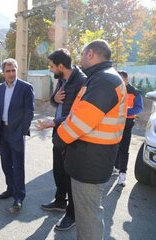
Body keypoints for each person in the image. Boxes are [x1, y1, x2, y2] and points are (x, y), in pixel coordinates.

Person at [53, 39, 127, 240]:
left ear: (91, 54)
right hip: (91, 159)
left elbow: (81, 121)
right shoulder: (103, 78)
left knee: (88, 218)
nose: (81, 58)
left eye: (83, 53)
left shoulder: (104, 80)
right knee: (87, 216)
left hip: (90, 163)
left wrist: (58, 139)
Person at [36, 49, 86, 231]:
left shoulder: (81, 81)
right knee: (58, 171)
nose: (50, 69)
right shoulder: (62, 79)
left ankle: (71, 214)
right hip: (59, 133)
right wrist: (54, 98)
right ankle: (59, 201)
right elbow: (55, 102)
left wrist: (53, 122)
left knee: (70, 175)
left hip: (72, 137)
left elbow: (79, 115)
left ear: (61, 66)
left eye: (51, 66)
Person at [0, 58, 34, 213]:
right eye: (8, 71)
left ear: (17, 70)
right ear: (3, 72)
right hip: (3, 131)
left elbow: (29, 111)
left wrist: (23, 130)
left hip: (17, 131)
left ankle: (19, 197)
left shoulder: (25, 88)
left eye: (13, 70)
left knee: (18, 166)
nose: (11, 74)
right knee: (5, 163)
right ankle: (10, 188)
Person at [114, 70, 143, 186]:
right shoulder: (113, 89)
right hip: (114, 123)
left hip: (127, 123)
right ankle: (115, 168)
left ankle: (122, 174)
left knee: (124, 149)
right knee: (114, 145)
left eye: (121, 79)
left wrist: (124, 112)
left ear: (126, 80)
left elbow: (139, 108)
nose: (119, 81)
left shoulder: (135, 92)